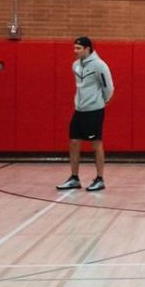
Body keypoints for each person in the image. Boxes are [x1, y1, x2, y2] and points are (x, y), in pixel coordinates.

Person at [57, 36, 113, 192]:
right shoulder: (75, 65)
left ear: (87, 49)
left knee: (96, 144)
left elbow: (108, 87)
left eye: (78, 48)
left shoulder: (100, 66)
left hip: (94, 110)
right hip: (79, 110)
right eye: (74, 48)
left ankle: (100, 178)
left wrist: (101, 101)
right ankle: (74, 178)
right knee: (74, 142)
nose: (75, 51)